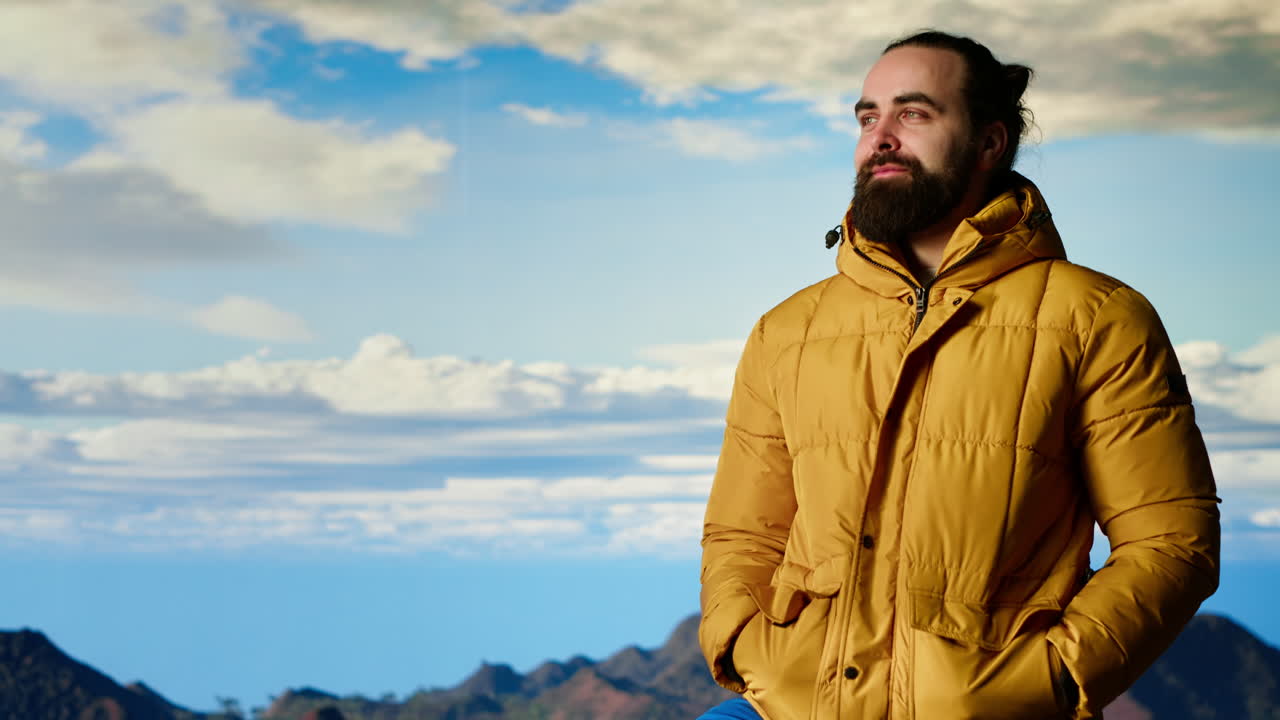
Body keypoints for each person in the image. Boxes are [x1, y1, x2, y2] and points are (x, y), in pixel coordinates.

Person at [696, 29, 1221, 720]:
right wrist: (740, 644)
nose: (881, 135)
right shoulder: (785, 332)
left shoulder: (1097, 318)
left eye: (914, 113)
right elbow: (744, 534)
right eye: (867, 116)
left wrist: (1053, 677)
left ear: (989, 143)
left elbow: (1171, 541)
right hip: (787, 703)